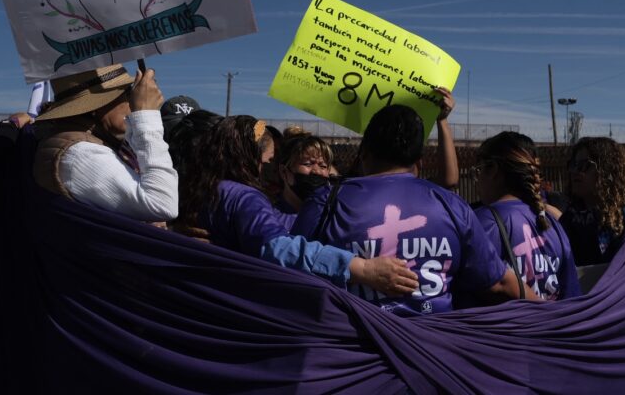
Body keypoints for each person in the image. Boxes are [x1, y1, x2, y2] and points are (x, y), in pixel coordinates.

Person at [291, 104, 529, 317]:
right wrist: (558, 315)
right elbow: (499, 284)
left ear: (364, 153)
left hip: (349, 352)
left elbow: (290, 272)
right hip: (432, 353)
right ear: (419, 162)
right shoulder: (452, 206)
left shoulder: (327, 201)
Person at [175, 115, 418, 294]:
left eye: (323, 166)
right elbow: (276, 248)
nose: (264, 170)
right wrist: (362, 269)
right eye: (264, 161)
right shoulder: (245, 197)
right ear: (246, 156)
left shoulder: (206, 189)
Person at [32, 64, 177, 222]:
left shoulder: (85, 143)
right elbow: (162, 204)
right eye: (127, 93)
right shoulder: (80, 154)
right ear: (94, 107)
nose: (133, 101)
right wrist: (146, 116)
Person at [471, 131, 580, 302]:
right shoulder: (553, 225)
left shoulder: (479, 223)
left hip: (503, 327)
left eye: (479, 170)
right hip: (550, 326)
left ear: (493, 170)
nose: (476, 180)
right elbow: (570, 298)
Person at [560, 137, 625, 266]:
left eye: (584, 166)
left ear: (606, 171)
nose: (574, 171)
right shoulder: (569, 219)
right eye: (573, 165)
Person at [275, 133, 334, 217]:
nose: (316, 171)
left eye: (323, 166)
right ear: (284, 171)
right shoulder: (268, 216)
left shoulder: (331, 216)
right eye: (307, 164)